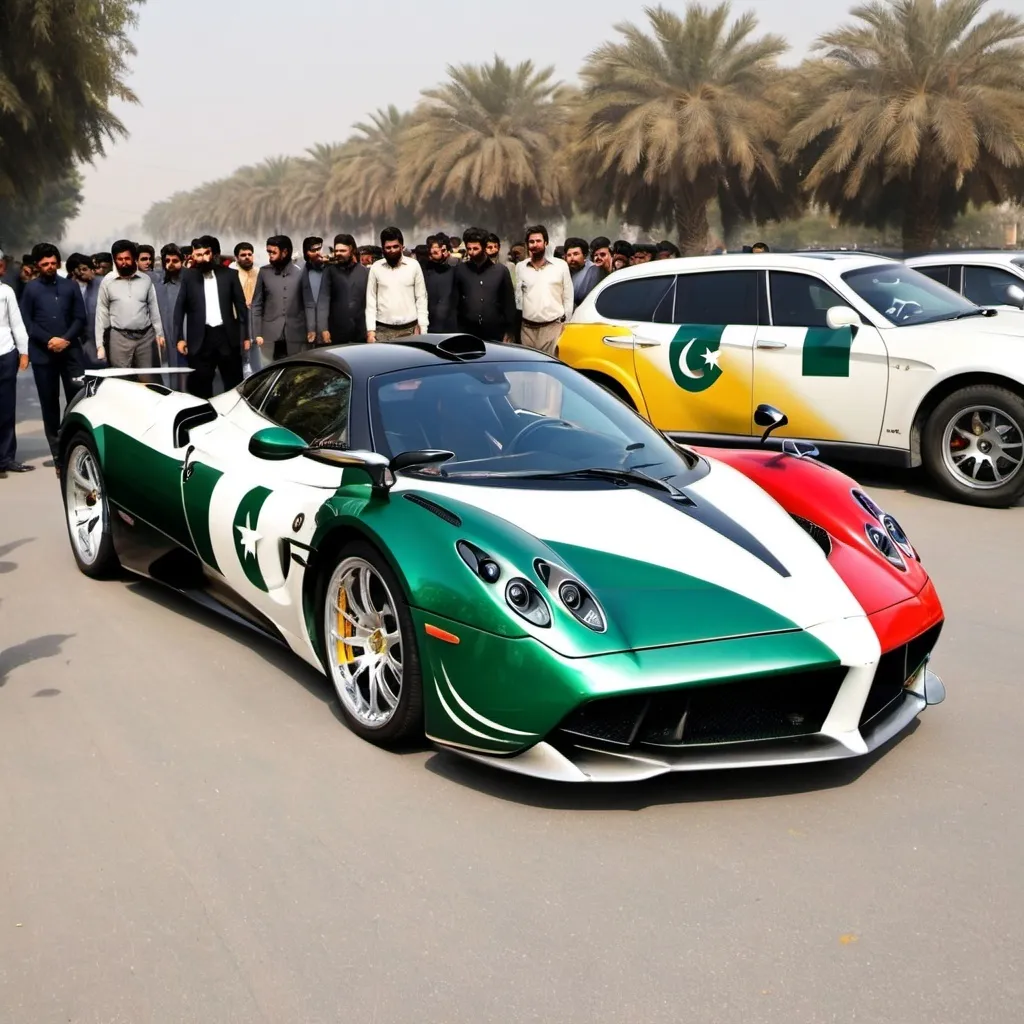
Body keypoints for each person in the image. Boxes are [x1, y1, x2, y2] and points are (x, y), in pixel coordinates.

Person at [19, 242, 85, 471]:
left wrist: (65, 339)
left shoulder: (70, 287)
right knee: (50, 405)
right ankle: (59, 457)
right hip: (43, 354)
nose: (49, 266)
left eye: (53, 263)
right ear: (38, 265)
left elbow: (80, 318)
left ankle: (76, 448)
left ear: (58, 262)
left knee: (77, 401)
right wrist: (49, 340)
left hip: (70, 353)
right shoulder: (31, 289)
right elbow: (27, 322)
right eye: (45, 263)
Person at [173, 234, 249, 399]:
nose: (202, 258)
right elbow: (179, 310)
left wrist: (246, 336)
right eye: (198, 254)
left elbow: (242, 308)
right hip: (200, 340)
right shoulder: (188, 277)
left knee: (234, 386)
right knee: (200, 388)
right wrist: (179, 338)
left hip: (227, 338)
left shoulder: (230, 275)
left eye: (205, 253)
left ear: (213, 254)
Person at [95, 239, 164, 374]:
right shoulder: (107, 282)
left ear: (134, 259)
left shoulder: (145, 280)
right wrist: (100, 345)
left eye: (127, 258)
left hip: (145, 338)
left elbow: (154, 310)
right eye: (120, 259)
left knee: (149, 380)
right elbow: (101, 314)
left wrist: (160, 334)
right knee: (122, 381)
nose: (124, 262)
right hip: (119, 338)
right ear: (115, 260)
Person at [515, 225, 574, 356]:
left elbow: (568, 297)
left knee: (550, 369)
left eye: (538, 241)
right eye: (531, 242)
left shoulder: (560, 266)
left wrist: (566, 323)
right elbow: (518, 298)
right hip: (527, 330)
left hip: (553, 328)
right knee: (528, 370)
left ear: (546, 243)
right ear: (527, 244)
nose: (535, 245)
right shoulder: (521, 267)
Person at [0, 248, 33, 477]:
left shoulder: (7, 292)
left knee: (6, 408)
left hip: (5, 353)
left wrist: (23, 351)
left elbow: (17, 323)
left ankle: (6, 458)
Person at [365, 227, 428, 343]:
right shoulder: (376, 268)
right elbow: (371, 301)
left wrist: (423, 329)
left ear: (402, 247)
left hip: (411, 329)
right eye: (388, 248)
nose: (392, 250)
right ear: (383, 249)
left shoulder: (414, 266)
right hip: (382, 330)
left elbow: (421, 298)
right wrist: (370, 331)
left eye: (395, 247)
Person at [453, 227, 516, 342]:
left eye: (475, 248)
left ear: (484, 247)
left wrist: (510, 331)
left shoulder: (501, 271)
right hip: (467, 332)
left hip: (495, 333)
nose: (472, 252)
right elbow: (455, 302)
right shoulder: (460, 270)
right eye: (469, 249)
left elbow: (509, 304)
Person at [251, 234, 306, 361]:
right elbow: (256, 304)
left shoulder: (300, 273)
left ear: (285, 252)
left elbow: (307, 304)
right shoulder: (264, 272)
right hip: (269, 335)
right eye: (268, 252)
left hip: (295, 335)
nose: (270, 255)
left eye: (273, 252)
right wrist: (257, 333)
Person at [318, 233, 369, 346]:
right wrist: (323, 328)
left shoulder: (364, 272)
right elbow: (323, 300)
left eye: (343, 251)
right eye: (337, 251)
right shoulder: (330, 272)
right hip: (336, 334)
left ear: (352, 251)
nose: (339, 254)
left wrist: (370, 330)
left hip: (360, 333)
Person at [156, 244, 186, 386]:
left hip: (187, 330)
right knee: (172, 368)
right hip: (167, 331)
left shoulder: (190, 279)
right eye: (167, 261)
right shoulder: (159, 282)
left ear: (182, 260)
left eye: (175, 261)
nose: (171, 264)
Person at [66, 253, 105, 367]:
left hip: (96, 336)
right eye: (84, 269)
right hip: (73, 338)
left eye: (89, 268)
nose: (90, 272)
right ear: (74, 272)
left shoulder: (101, 284)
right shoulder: (64, 287)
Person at [424, 235, 458, 333]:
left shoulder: (457, 269)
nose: (434, 254)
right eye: (432, 251)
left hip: (451, 326)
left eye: (437, 251)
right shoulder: (425, 270)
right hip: (430, 325)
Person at [300, 236, 327, 346]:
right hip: (307, 328)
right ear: (306, 253)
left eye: (319, 249)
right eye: (313, 250)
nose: (317, 253)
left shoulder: (331, 269)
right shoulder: (301, 272)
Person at [563, 237, 602, 307]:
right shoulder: (565, 270)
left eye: (576, 254)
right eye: (569, 255)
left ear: (584, 256)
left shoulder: (593, 271)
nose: (572, 258)